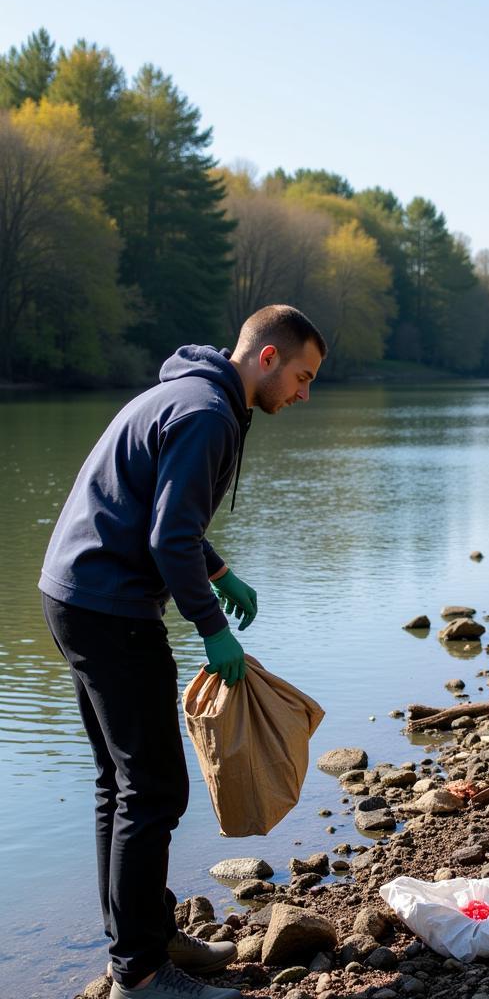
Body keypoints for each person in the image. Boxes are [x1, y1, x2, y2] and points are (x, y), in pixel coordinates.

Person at [39, 305, 327, 999]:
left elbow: (163, 511)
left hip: (73, 593)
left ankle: (145, 934)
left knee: (120, 782)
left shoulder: (189, 393)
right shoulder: (208, 414)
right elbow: (168, 538)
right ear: (266, 358)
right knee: (156, 788)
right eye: (302, 376)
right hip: (111, 610)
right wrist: (210, 626)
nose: (303, 393)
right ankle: (140, 972)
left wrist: (220, 572)